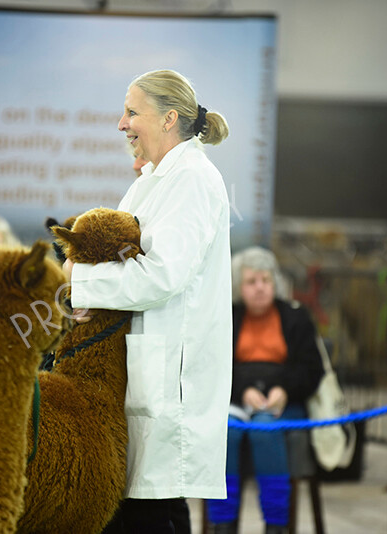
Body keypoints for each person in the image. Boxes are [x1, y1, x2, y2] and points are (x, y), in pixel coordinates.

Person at [64, 69, 232, 533]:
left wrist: (77, 279)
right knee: (146, 509)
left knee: (151, 510)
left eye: (132, 112)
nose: (122, 124)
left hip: (166, 380)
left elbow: (163, 275)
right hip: (139, 373)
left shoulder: (193, 178)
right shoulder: (151, 182)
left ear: (169, 118)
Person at [206, 246, 324, 534]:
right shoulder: (226, 317)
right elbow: (212, 366)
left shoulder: (297, 317)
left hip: (286, 403)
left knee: (264, 428)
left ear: (276, 283)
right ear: (238, 286)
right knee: (229, 431)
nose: (260, 288)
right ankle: (222, 524)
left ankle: (276, 524)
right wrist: (243, 390)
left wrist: (284, 390)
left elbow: (311, 369)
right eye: (251, 281)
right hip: (237, 400)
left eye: (266, 280)